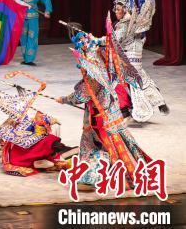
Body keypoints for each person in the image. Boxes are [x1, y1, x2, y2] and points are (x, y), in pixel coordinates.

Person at [56, 30, 150, 190]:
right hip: (112, 112)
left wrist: (64, 99)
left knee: (94, 147)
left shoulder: (93, 72)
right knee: (118, 144)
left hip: (98, 117)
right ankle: (130, 173)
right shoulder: (105, 63)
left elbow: (82, 95)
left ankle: (90, 178)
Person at [0, 83, 76, 176]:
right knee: (46, 142)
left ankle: (63, 150)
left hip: (31, 144)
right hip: (20, 151)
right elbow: (18, 137)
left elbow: (37, 120)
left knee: (48, 140)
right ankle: (56, 155)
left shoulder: (27, 119)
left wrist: (46, 120)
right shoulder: (10, 126)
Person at [112, 0, 168, 122]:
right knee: (142, 80)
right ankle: (160, 103)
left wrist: (95, 41)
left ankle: (126, 112)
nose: (115, 11)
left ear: (125, 9)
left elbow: (114, 41)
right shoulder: (133, 21)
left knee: (119, 83)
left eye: (118, 9)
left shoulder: (124, 24)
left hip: (129, 60)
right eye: (115, 9)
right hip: (135, 58)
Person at [8, 0, 52, 65]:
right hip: (22, 15)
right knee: (23, 37)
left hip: (33, 15)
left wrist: (48, 10)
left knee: (33, 36)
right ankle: (25, 58)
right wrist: (16, 2)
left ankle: (30, 59)